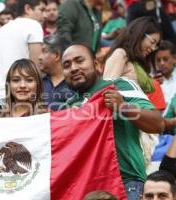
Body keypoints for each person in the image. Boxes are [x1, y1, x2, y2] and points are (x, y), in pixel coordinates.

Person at [61, 44, 164, 199]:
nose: (74, 68)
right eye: (67, 65)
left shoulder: (120, 86)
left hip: (127, 183)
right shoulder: (65, 108)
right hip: (85, 190)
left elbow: (158, 124)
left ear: (96, 64)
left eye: (79, 61)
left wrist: (124, 107)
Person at [0, 0, 46, 100]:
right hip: (20, 95)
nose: (44, 15)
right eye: (41, 10)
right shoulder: (33, 25)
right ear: (28, 9)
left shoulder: (1, 30)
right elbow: (36, 66)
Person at [38, 35, 74, 110]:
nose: (39, 57)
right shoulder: (38, 83)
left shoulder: (75, 84)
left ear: (57, 55)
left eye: (44, 51)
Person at [155, 41, 176, 106]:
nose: (162, 63)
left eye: (165, 59)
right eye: (158, 60)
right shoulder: (151, 80)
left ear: (175, 58)